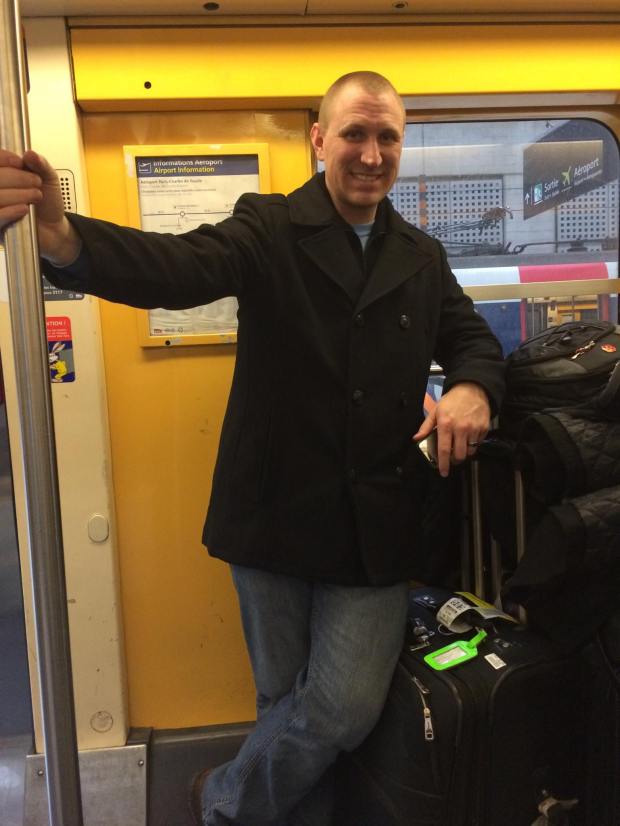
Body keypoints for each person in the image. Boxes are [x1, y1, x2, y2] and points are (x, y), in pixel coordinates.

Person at [0, 71, 505, 826]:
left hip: (377, 525)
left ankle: (227, 799)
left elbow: (472, 340)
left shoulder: (422, 257)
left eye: (388, 136)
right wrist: (64, 238)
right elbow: (176, 269)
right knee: (280, 695)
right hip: (274, 513)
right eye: (355, 134)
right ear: (319, 141)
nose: (371, 154)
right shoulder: (267, 226)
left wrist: (472, 388)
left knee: (341, 708)